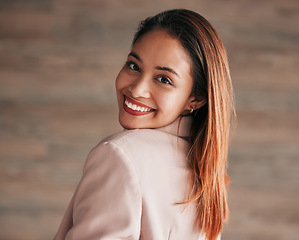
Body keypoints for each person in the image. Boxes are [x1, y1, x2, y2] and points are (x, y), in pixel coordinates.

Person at [54, 9, 235, 240]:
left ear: (196, 98)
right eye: (134, 66)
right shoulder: (206, 171)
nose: (137, 89)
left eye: (163, 79)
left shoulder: (119, 155)